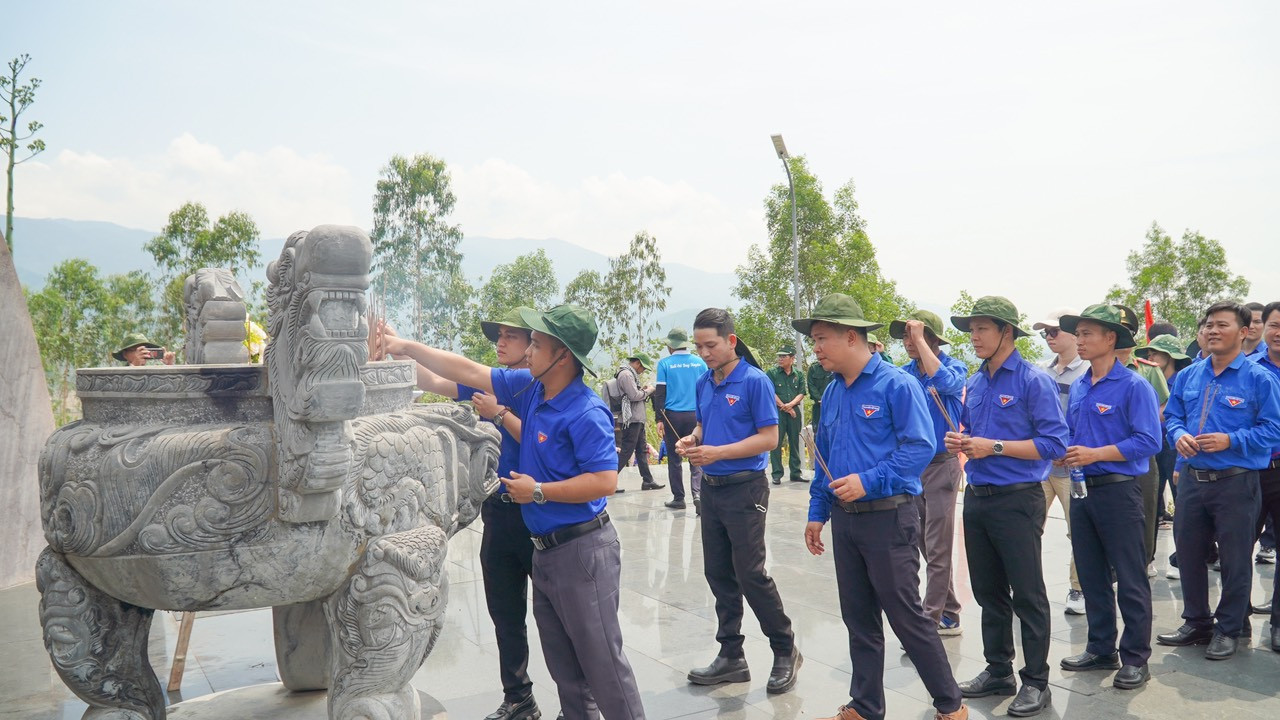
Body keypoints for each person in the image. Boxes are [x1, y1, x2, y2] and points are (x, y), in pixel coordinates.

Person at [383, 305, 646, 719]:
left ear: (563, 355)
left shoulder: (585, 410)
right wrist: (402, 347)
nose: (525, 351)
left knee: (603, 665)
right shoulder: (535, 388)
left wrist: (538, 490)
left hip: (581, 548)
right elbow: (464, 370)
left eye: (535, 343)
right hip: (546, 549)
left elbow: (605, 481)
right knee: (564, 666)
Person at [800, 295, 968, 720]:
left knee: (907, 617)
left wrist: (868, 480)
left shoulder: (897, 384)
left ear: (851, 336)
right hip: (845, 519)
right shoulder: (834, 391)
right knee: (858, 619)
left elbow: (920, 447)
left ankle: (951, 706)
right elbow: (825, 456)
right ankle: (866, 706)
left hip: (889, 516)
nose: (815, 348)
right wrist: (817, 512)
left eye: (821, 339)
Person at [944, 296, 1067, 718]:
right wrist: (963, 442)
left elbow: (1054, 444)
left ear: (1007, 333)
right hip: (978, 498)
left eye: (982, 329)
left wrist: (992, 446)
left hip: (1018, 499)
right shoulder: (976, 382)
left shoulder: (1034, 381)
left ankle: (1036, 682)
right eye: (971, 329)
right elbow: (973, 435)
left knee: (1028, 594)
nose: (974, 337)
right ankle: (999, 671)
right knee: (988, 592)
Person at [676, 308, 801, 695]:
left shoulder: (754, 381)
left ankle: (785, 649)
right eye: (699, 346)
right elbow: (702, 424)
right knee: (718, 572)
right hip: (711, 489)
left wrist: (719, 452)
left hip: (746, 488)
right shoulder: (703, 381)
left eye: (710, 345)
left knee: (750, 573)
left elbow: (769, 438)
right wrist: (694, 439)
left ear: (731, 341)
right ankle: (731, 656)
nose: (705, 352)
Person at [1156, 302, 1280, 661]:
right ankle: (1196, 621)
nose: (1212, 330)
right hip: (1194, 479)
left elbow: (1273, 429)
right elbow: (1174, 416)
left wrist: (1231, 440)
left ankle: (1228, 629)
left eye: (1221, 325)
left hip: (1236, 481)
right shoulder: (1191, 375)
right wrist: (1178, 435)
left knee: (1235, 557)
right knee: (1190, 552)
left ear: (1243, 333)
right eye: (1208, 324)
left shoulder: (1259, 379)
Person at [1055, 304, 1161, 690]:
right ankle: (1101, 647)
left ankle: (1135, 657)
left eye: (1087, 334)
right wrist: (1062, 448)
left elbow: (1149, 441)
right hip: (1082, 491)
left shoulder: (1134, 386)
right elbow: (1071, 431)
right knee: (1091, 574)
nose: (1079, 341)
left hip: (1118, 490)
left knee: (1130, 577)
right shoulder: (1082, 384)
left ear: (1111, 338)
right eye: (1078, 334)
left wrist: (1096, 454)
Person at [889, 309, 967, 636]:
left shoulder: (953, 367)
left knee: (938, 545)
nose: (908, 342)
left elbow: (947, 383)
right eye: (906, 336)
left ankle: (928, 620)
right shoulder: (904, 374)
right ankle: (950, 611)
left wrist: (921, 341)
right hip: (913, 468)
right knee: (922, 541)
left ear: (933, 339)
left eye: (916, 335)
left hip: (942, 464)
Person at [1031, 308, 1089, 615]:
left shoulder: (1088, 372)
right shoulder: (1041, 371)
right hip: (1041, 466)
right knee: (1028, 527)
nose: (1050, 338)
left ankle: (1078, 588)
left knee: (1077, 530)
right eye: (1045, 333)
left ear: (1072, 332)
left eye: (1054, 332)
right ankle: (1023, 585)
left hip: (1072, 468)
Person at [1113, 305, 1170, 577]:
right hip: (1105, 454)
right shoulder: (1093, 370)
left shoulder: (1146, 370)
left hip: (1141, 453)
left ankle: (1144, 560)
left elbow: (1164, 408)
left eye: (1125, 329)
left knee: (1146, 511)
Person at [1249, 301, 1280, 651]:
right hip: (1250, 470)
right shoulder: (1247, 369)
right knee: (1238, 544)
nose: (1278, 332)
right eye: (1274, 324)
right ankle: (1233, 619)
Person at [1137, 332, 1192, 529]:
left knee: (1181, 497)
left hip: (1175, 444)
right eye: (1148, 354)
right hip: (1154, 443)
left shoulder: (1184, 380)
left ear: (1170, 357)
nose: (1149, 358)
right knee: (1151, 497)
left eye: (1155, 354)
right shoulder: (1147, 379)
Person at [654, 327, 709, 512]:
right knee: (696, 454)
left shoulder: (665, 364)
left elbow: (660, 394)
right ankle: (698, 494)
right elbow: (706, 390)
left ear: (671, 346)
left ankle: (679, 498)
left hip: (672, 416)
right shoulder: (700, 363)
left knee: (675, 458)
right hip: (696, 415)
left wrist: (659, 419)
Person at [614, 352, 664, 493]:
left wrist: (643, 390)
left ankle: (647, 480)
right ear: (637, 363)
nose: (642, 371)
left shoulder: (630, 375)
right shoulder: (626, 375)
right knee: (626, 450)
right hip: (631, 419)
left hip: (637, 418)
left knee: (641, 449)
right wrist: (649, 391)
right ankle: (608, 480)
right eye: (643, 368)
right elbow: (634, 395)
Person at [767, 344, 808, 484]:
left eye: (784, 356)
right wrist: (785, 407)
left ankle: (796, 473)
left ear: (792, 358)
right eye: (779, 356)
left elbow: (802, 393)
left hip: (794, 412)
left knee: (795, 442)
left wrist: (791, 405)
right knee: (776, 443)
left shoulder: (799, 374)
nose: (780, 359)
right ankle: (777, 474)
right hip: (778, 411)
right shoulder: (772, 373)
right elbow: (770, 392)